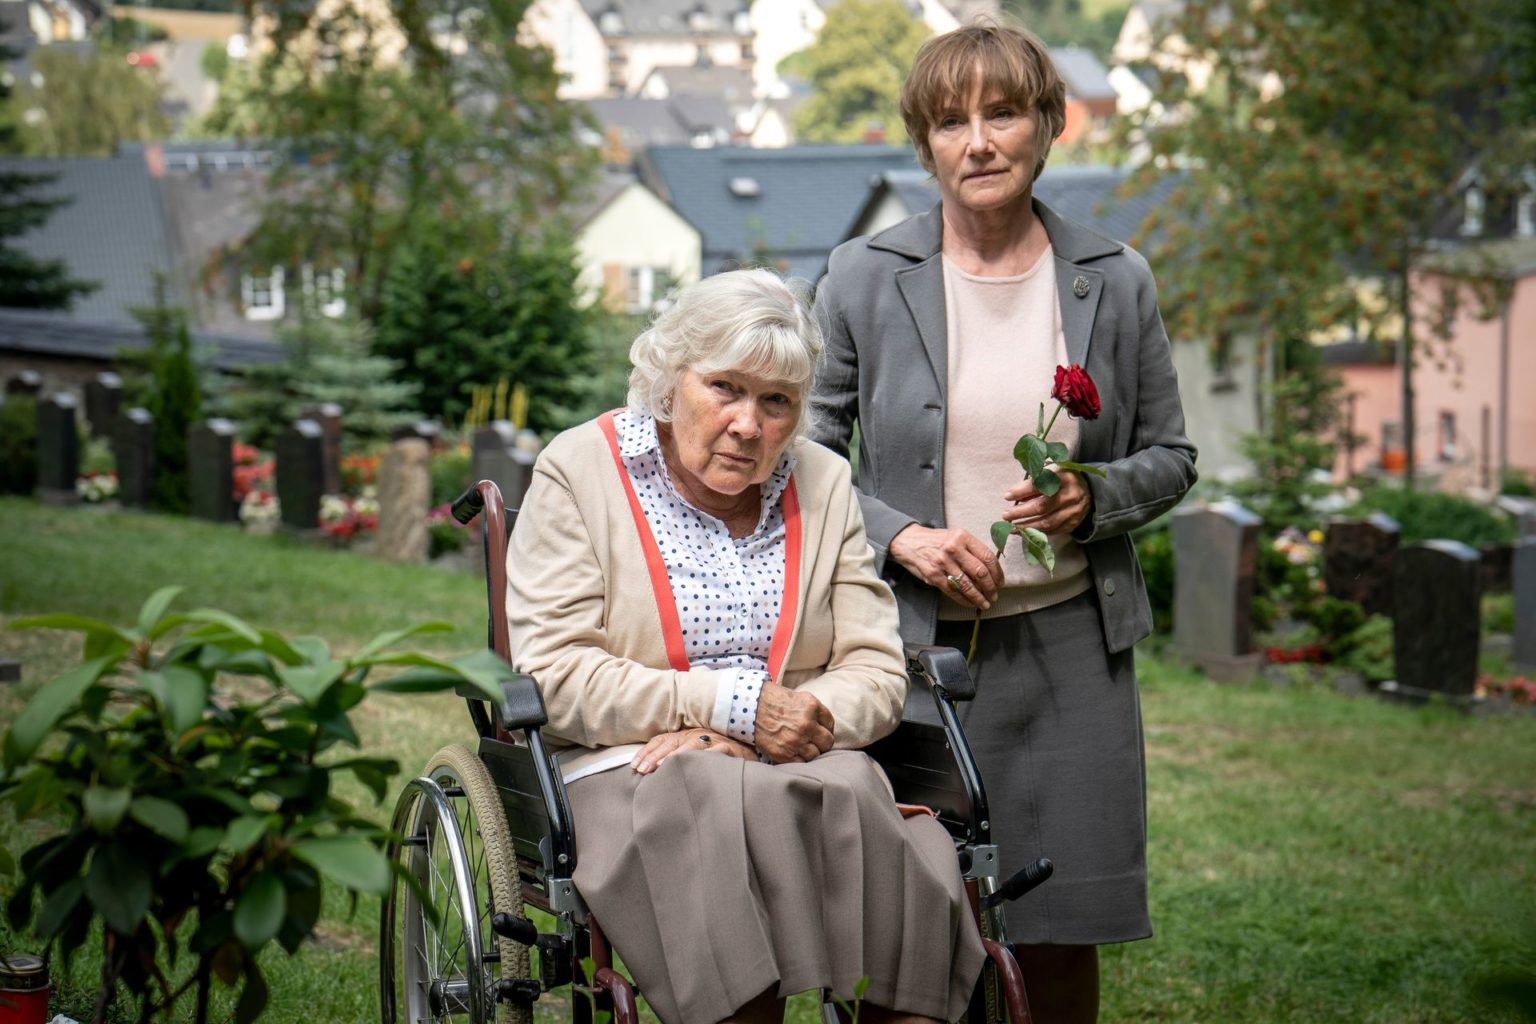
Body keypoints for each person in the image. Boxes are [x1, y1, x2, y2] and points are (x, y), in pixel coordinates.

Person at [811, 22, 1198, 1024]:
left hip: (1075, 652)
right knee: (910, 932)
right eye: (951, 122)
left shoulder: (1116, 276)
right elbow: (800, 459)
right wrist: (901, 534)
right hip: (910, 652)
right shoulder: (862, 275)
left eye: (1003, 113)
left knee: (1063, 931)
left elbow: (1170, 455)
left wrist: (1094, 498)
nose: (978, 141)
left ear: (1048, 127)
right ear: (926, 143)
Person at [505, 269, 985, 1024]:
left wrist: (776, 727)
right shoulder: (581, 470)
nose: (747, 424)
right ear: (670, 380)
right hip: (630, 765)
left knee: (858, 790)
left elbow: (876, 670)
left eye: (776, 402)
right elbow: (556, 672)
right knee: (700, 794)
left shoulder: (824, 482)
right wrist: (731, 707)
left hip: (801, 762)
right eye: (724, 387)